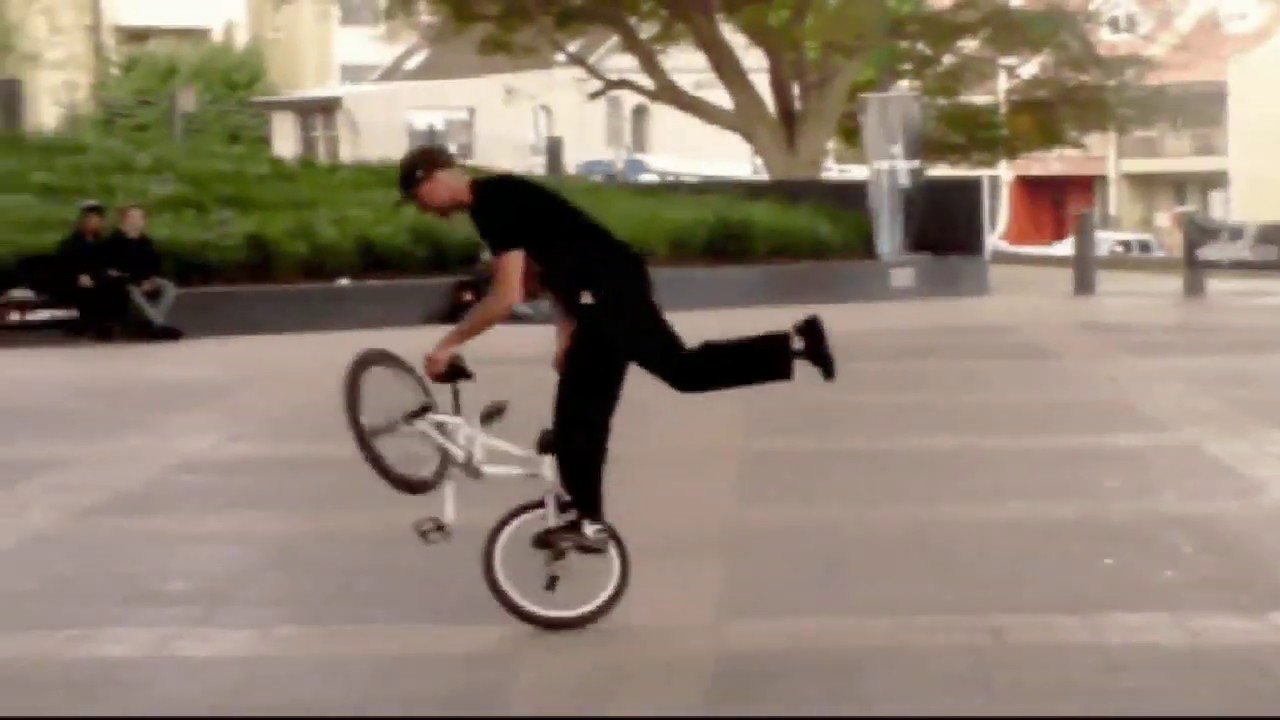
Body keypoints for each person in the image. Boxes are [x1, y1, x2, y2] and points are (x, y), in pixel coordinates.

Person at [398, 145, 836, 553]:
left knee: (580, 414)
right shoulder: (497, 199)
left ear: (435, 179)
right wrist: (565, 331)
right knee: (681, 372)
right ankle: (795, 342)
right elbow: (552, 264)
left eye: (419, 199)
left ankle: (589, 521)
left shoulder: (494, 202)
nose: (425, 211)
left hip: (606, 291)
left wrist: (448, 343)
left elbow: (507, 295)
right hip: (606, 286)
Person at [104, 205, 184, 340]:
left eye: (139, 218)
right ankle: (158, 325)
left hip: (145, 280)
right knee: (132, 290)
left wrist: (150, 279)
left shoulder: (146, 242)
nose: (135, 221)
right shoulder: (113, 241)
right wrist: (137, 279)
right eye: (132, 217)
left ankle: (154, 323)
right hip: (124, 283)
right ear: (124, 220)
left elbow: (155, 265)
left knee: (168, 286)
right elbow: (114, 269)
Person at [56, 200, 130, 339]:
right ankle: (91, 323)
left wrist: (111, 271)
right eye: (89, 219)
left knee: (115, 282)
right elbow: (65, 265)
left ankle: (112, 322)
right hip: (76, 280)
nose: (93, 222)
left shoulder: (102, 242)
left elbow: (107, 262)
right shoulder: (71, 243)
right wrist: (79, 275)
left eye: (97, 219)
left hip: (98, 278)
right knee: (89, 288)